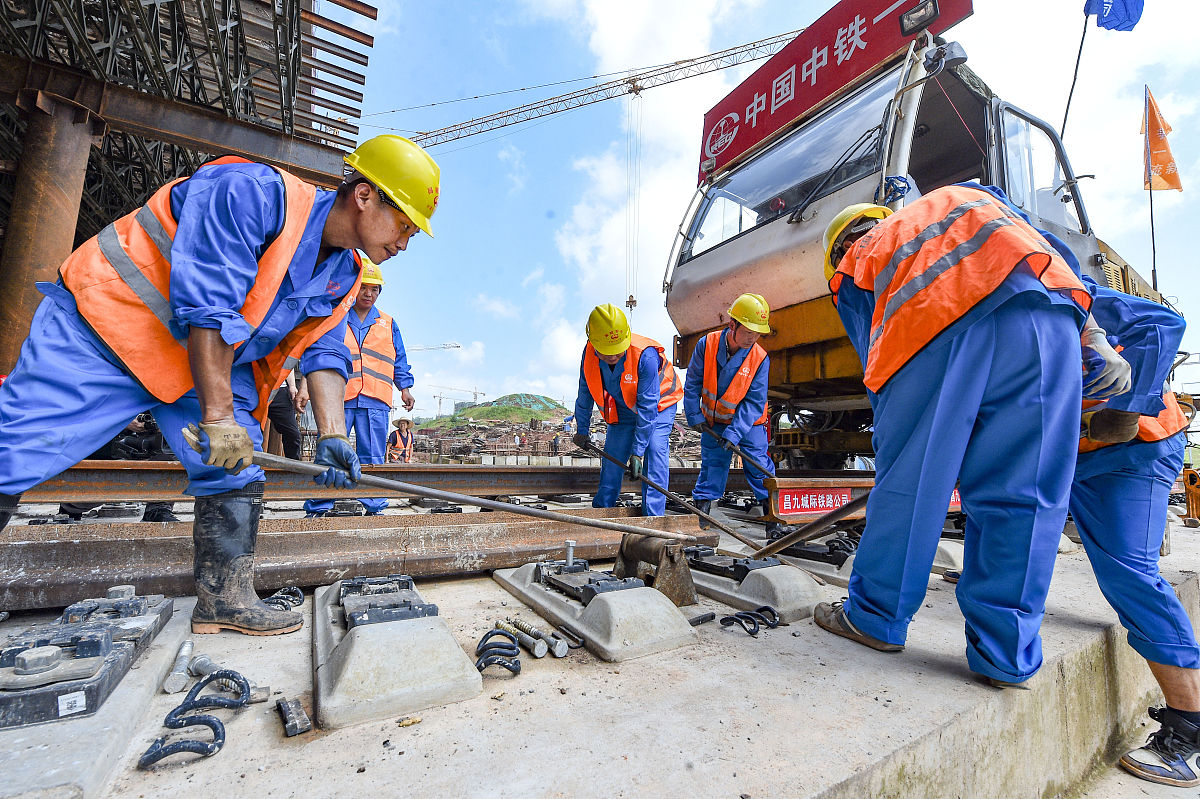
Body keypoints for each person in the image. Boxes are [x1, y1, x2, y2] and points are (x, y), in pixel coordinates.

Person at [0, 133, 440, 636]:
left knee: (237, 467)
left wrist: (335, 435)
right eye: (403, 224)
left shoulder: (343, 273)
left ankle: (223, 600)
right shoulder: (253, 192)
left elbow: (324, 350)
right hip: (111, 326)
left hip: (203, 363)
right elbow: (208, 305)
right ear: (364, 195)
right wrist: (218, 416)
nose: (404, 242)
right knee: (14, 449)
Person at [811, 184, 1130, 687]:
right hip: (1050, 320)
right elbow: (1053, 253)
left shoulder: (857, 262)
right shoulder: (967, 197)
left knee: (911, 488)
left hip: (931, 323)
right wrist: (1094, 339)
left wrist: (916, 443)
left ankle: (874, 616)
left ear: (839, 249)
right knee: (1028, 493)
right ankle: (1006, 654)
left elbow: (877, 362)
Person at [1069, 284, 1199, 786]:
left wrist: (1129, 406)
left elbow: (1164, 324)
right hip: (1075, 451)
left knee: (1130, 574)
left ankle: (1190, 730)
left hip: (1134, 445)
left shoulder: (1054, 282)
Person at [303, 258, 414, 516]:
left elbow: (400, 358)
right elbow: (319, 354)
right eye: (364, 286)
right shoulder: (337, 316)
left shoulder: (388, 323)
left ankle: (374, 507)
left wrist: (405, 388)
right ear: (354, 286)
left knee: (373, 458)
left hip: (375, 400)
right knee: (331, 451)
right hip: (340, 397)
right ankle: (319, 507)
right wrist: (307, 386)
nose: (369, 293)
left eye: (374, 288)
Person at [682, 293, 782, 537]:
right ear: (732, 325)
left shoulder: (760, 358)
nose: (753, 338)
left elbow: (754, 402)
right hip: (713, 422)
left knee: (759, 467)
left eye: (758, 333)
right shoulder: (706, 345)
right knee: (712, 465)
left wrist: (735, 433)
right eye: (748, 332)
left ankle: (774, 519)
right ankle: (702, 517)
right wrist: (694, 415)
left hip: (748, 425)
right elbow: (693, 382)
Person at [572, 304, 683, 516]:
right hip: (623, 408)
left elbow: (648, 408)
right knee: (613, 454)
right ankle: (603, 510)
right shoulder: (588, 354)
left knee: (654, 450)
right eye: (607, 352)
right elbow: (584, 392)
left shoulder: (645, 356)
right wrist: (582, 430)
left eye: (618, 351)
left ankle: (653, 518)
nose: (614, 356)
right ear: (594, 344)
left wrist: (638, 453)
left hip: (659, 406)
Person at [265, 371, 303, 460]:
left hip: (280, 390)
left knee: (293, 434)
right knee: (253, 431)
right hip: (254, 388)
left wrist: (292, 385)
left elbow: (288, 362)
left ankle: (294, 467)